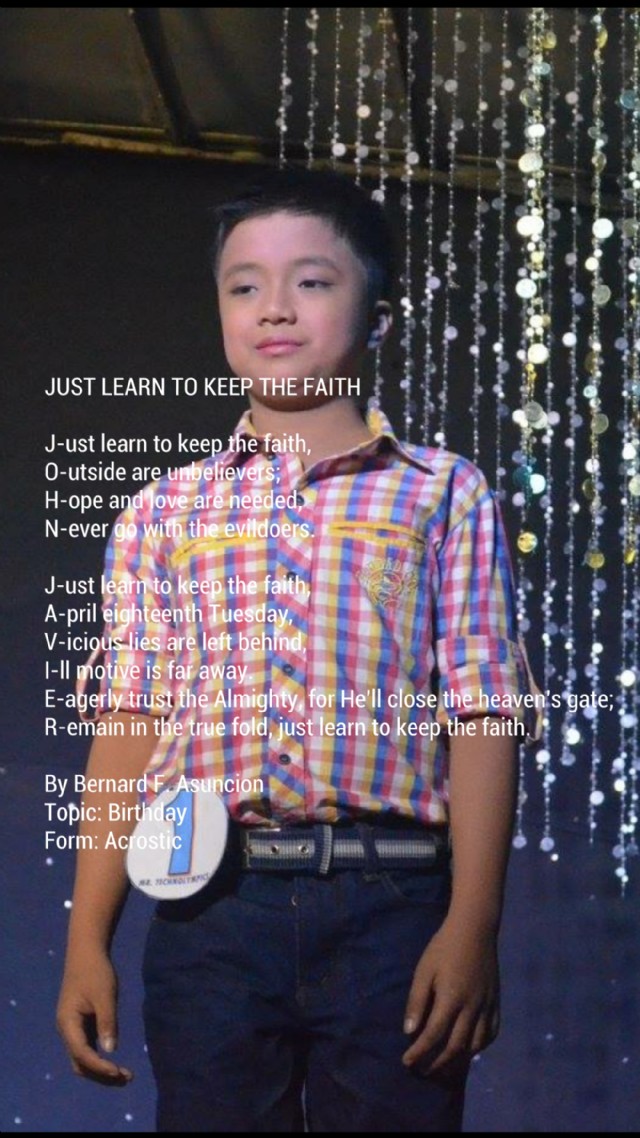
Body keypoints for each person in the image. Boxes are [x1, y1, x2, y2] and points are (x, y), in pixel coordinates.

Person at [57, 166, 541, 1132]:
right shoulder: (163, 510)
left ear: (379, 317)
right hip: (209, 908)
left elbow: (484, 707)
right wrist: (86, 940)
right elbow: (131, 718)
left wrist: (472, 923)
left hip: (393, 899)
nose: (274, 307)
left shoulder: (444, 492)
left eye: (312, 281)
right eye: (245, 285)